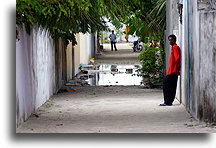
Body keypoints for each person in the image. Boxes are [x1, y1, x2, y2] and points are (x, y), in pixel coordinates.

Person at [160, 34, 181, 106]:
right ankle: (169, 101)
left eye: (171, 40)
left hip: (173, 71)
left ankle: (168, 102)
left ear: (174, 40)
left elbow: (177, 59)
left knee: (167, 85)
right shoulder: (174, 47)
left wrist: (178, 69)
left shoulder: (175, 47)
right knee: (171, 86)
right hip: (172, 71)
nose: (170, 41)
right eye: (169, 40)